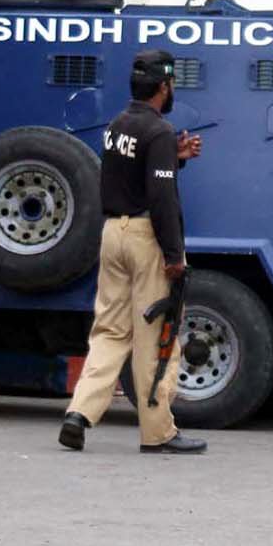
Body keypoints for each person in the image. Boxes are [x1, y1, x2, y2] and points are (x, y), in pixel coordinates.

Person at [59, 47, 207, 455]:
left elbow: (133, 172)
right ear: (163, 86)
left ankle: (79, 413)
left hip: (113, 234)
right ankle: (158, 430)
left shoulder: (117, 125)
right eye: (171, 84)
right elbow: (161, 196)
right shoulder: (159, 131)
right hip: (145, 239)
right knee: (156, 335)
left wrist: (173, 158)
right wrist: (174, 255)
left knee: (109, 329)